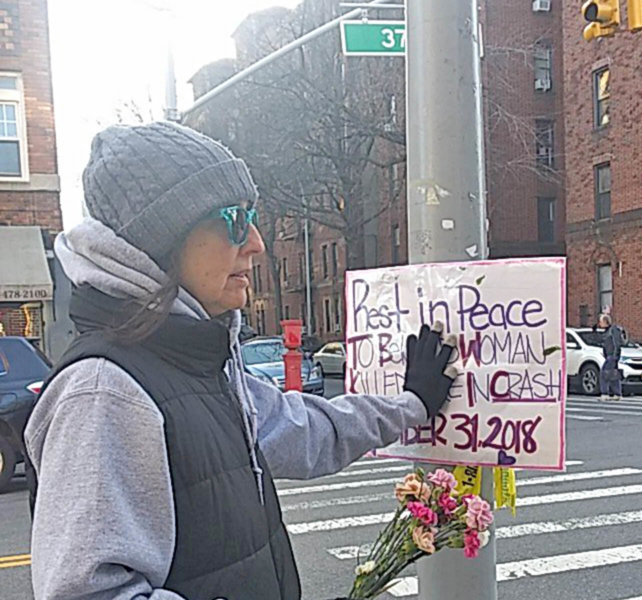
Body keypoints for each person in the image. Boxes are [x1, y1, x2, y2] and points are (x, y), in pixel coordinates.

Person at [24, 122, 456, 600]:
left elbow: (304, 429)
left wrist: (412, 404)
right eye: (233, 219)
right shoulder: (105, 390)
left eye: (253, 216)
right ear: (162, 239)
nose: (256, 242)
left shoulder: (198, 362)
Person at [596, 313, 623, 401]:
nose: (600, 324)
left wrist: (615, 356)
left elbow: (616, 344)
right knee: (613, 374)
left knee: (604, 374)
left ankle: (605, 394)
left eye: (601, 322)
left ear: (605, 322)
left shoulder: (612, 330)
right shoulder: (609, 331)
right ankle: (617, 393)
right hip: (611, 356)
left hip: (612, 356)